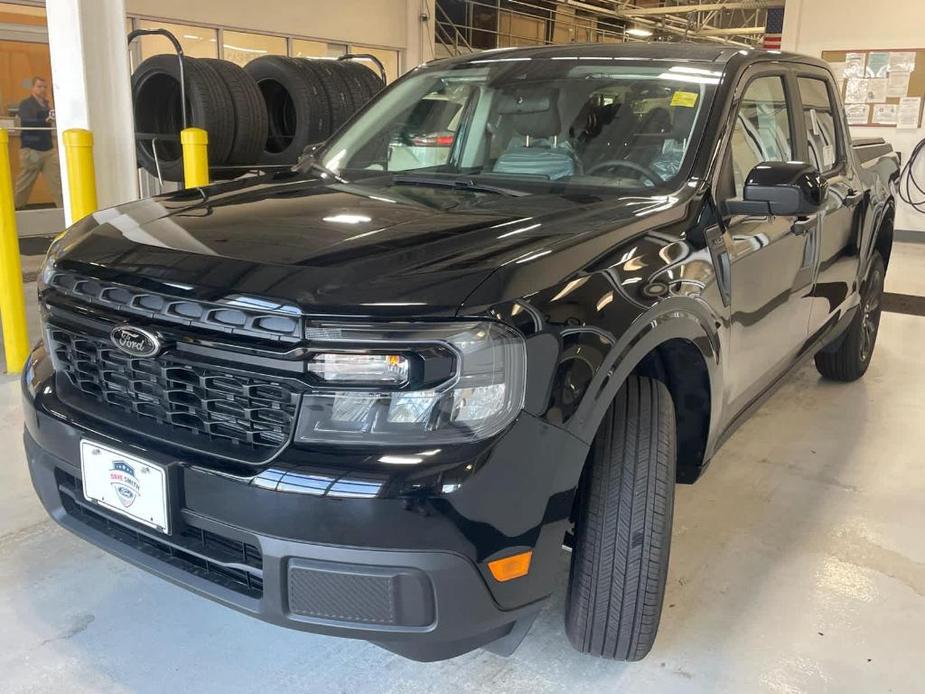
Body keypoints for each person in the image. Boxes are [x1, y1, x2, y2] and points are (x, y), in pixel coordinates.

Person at [15, 76, 63, 209]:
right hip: (31, 148)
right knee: (25, 182)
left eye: (44, 87)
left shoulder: (48, 105)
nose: (42, 89)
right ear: (32, 88)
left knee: (57, 181)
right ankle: (15, 209)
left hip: (48, 149)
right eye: (39, 86)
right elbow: (26, 121)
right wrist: (45, 121)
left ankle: (64, 209)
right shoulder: (26, 104)